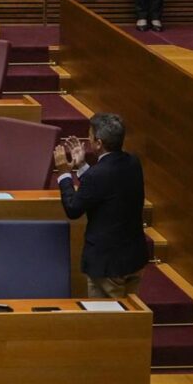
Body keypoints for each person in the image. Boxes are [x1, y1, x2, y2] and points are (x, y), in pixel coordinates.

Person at [53, 113, 147, 299]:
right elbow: (106, 189)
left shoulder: (98, 175)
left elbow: (73, 209)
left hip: (108, 266)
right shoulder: (133, 163)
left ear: (99, 143)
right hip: (134, 259)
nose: (88, 141)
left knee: (107, 323)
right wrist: (82, 167)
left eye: (90, 137)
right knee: (131, 319)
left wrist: (64, 173)